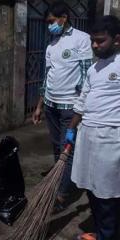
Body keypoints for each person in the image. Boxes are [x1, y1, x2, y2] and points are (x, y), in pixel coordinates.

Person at [32, 1, 93, 210]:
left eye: (51, 21)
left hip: (69, 107)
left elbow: (87, 76)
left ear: (63, 18)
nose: (50, 25)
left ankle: (60, 194)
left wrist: (81, 108)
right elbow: (47, 77)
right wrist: (39, 105)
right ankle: (59, 181)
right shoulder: (52, 44)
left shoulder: (82, 39)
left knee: (67, 149)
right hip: (51, 105)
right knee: (56, 147)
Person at [66, 16, 120, 240]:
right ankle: (100, 232)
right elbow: (82, 101)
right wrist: (71, 129)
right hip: (87, 136)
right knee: (91, 189)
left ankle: (108, 235)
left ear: (117, 40)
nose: (95, 46)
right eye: (93, 41)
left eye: (100, 41)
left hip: (110, 138)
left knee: (107, 193)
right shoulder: (94, 68)